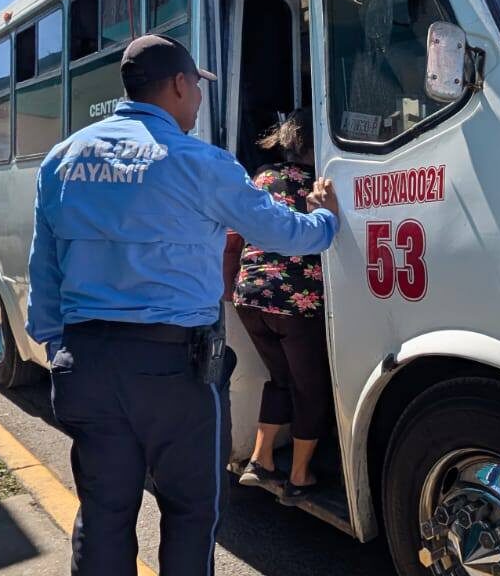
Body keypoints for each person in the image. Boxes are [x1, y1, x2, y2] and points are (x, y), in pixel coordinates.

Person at [26, 34, 340, 576]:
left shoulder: (62, 159)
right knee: (191, 514)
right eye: (196, 87)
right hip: (175, 372)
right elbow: (282, 232)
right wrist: (326, 219)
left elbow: (45, 270)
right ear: (177, 84)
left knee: (103, 514)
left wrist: (60, 349)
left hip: (86, 364)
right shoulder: (200, 161)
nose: (198, 100)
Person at [230, 109, 330, 505]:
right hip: (294, 301)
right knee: (310, 388)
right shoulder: (319, 186)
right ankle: (300, 476)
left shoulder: (262, 177)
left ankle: (260, 459)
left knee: (281, 378)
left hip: (249, 295)